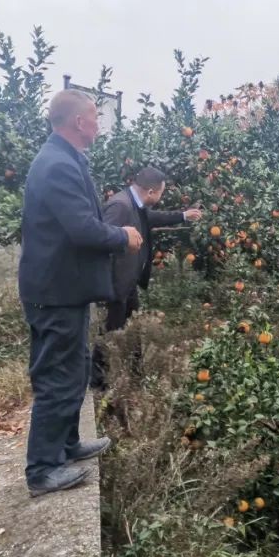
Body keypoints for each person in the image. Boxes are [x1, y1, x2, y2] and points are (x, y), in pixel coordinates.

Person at [17, 89, 143, 498]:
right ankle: (43, 468)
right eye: (95, 116)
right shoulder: (56, 165)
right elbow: (83, 229)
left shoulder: (65, 159)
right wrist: (122, 235)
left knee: (75, 368)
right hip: (55, 292)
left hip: (65, 290)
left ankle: (67, 444)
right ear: (78, 122)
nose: (98, 123)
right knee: (58, 376)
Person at [89, 166, 203, 389]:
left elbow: (152, 217)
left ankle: (135, 373)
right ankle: (98, 381)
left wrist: (182, 215)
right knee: (111, 333)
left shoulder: (135, 204)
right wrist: (106, 287)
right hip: (115, 285)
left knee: (133, 327)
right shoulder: (120, 206)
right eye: (161, 192)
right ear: (151, 192)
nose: (161, 197)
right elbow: (101, 242)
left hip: (127, 282)